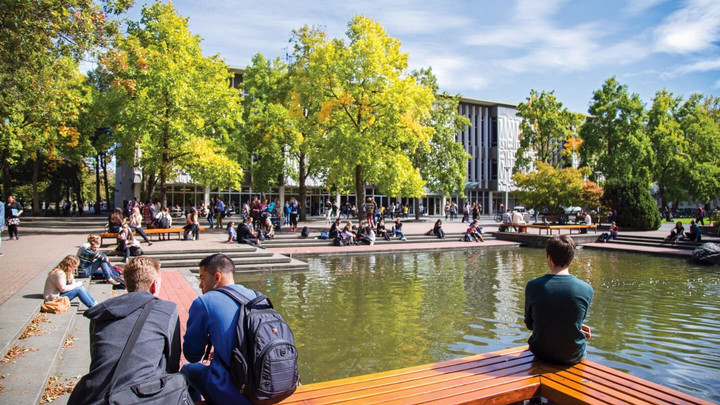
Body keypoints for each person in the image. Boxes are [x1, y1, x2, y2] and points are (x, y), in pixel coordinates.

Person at [67, 257, 182, 405]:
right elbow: (172, 364)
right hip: (143, 396)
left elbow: (96, 356)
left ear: (127, 283)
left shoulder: (102, 313)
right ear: (154, 286)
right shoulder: (167, 309)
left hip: (96, 396)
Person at [181, 253, 259, 404]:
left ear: (217, 277)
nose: (200, 285)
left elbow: (192, 355)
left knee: (187, 370)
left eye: (202, 278)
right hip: (267, 387)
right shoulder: (257, 297)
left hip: (233, 393)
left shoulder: (204, 302)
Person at [524, 235, 594, 365]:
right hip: (572, 356)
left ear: (549, 258)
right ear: (571, 259)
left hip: (541, 353)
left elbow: (530, 324)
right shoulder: (586, 289)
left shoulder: (533, 286)